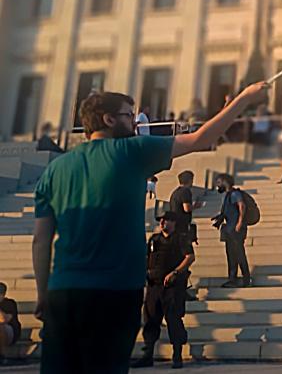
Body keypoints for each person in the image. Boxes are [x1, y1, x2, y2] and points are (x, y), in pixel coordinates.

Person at [32, 82, 267, 374]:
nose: (135, 122)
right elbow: (200, 138)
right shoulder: (132, 151)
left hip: (63, 291)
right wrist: (244, 98)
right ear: (108, 119)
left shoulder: (55, 170)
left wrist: (43, 294)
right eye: (129, 116)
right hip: (116, 290)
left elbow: (41, 241)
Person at [131, 212, 195, 369]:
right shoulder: (154, 240)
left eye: (165, 220)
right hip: (154, 285)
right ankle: (148, 355)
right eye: (161, 221)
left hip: (172, 287)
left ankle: (177, 354)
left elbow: (190, 257)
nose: (162, 223)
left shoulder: (180, 238)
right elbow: (146, 258)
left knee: (173, 319)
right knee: (151, 319)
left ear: (173, 222)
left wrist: (175, 272)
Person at [212, 173, 252, 288]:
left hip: (236, 229)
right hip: (229, 229)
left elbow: (242, 206)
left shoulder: (235, 193)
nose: (218, 186)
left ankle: (246, 278)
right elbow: (227, 211)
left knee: (239, 254)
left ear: (225, 182)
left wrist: (239, 222)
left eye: (219, 183)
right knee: (231, 254)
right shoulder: (227, 195)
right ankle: (232, 278)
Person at [169, 170, 204, 246]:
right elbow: (186, 208)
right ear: (190, 180)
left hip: (175, 223)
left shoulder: (175, 192)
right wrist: (196, 206)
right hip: (182, 224)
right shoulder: (186, 191)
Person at [0, 282, 21, 362]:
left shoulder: (9, 303)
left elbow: (3, 319)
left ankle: (2, 356)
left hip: (10, 332)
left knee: (0, 326)